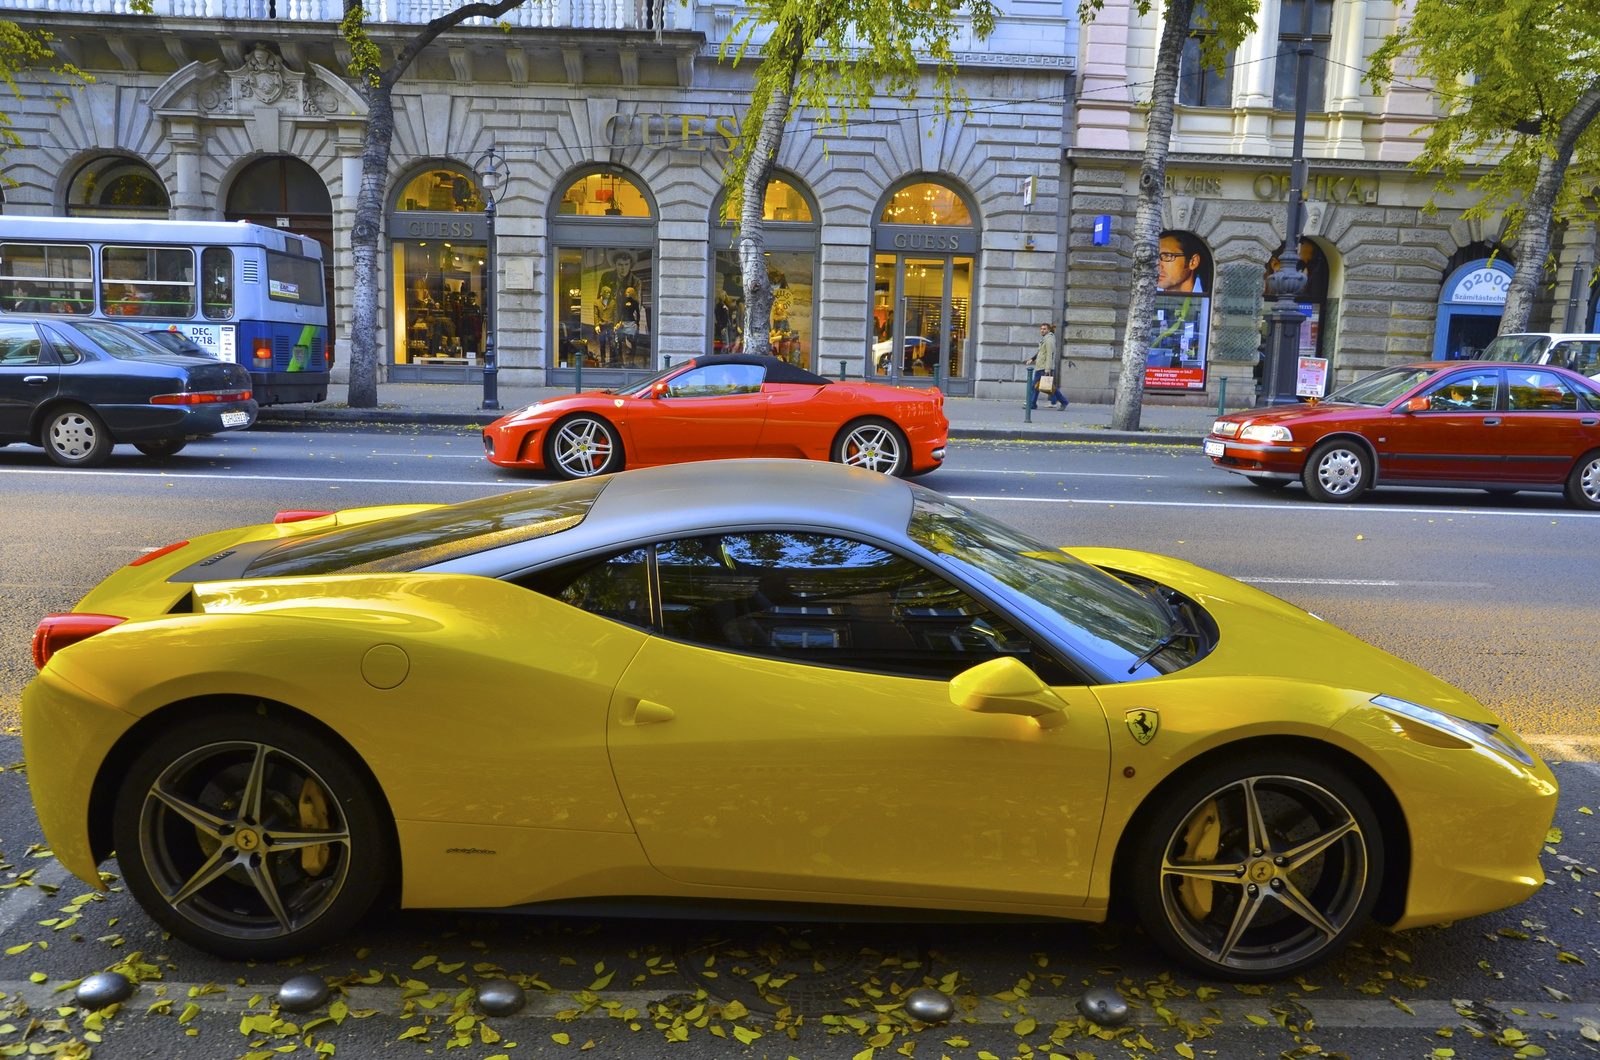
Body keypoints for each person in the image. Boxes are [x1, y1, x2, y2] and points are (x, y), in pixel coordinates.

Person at [1026, 322, 1067, 410]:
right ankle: (1032, 403)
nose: (1042, 330)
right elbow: (1040, 352)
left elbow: (1049, 354)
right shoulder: (1044, 339)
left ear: (1048, 330)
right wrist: (1032, 359)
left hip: (1045, 367)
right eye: (1041, 329)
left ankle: (1064, 401)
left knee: (1050, 388)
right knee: (1035, 386)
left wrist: (1047, 369)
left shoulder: (1049, 339)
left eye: (1044, 329)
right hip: (1040, 366)